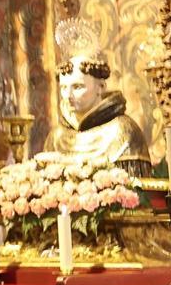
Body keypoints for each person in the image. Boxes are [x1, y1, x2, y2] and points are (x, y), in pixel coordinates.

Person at [46, 18, 152, 175]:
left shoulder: (122, 132)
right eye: (63, 88)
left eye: (77, 87)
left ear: (100, 87)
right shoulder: (57, 137)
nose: (68, 95)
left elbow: (140, 194)